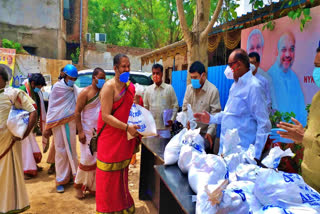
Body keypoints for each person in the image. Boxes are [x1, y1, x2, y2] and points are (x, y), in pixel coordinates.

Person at [194, 49, 271, 160]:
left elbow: (264, 124)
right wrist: (210, 118)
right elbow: (229, 114)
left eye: (230, 65)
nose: (228, 69)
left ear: (238, 65)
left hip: (242, 155)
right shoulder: (235, 85)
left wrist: (255, 156)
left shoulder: (254, 87)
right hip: (225, 152)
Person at [96, 54, 139, 213]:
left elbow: (132, 110)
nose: (127, 69)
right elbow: (105, 116)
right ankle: (107, 209)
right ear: (115, 68)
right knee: (107, 178)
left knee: (122, 175)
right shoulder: (108, 87)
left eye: (128, 66)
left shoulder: (130, 87)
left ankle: (123, 207)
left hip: (124, 138)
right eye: (123, 67)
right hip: (109, 139)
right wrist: (127, 127)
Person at [276, 47, 320, 192]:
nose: (317, 71)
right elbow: (312, 132)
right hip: (310, 182)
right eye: (316, 66)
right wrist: (299, 136)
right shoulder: (317, 98)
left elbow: (309, 138)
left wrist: (304, 137)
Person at [0, 67, 37, 213]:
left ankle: (8, 207)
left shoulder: (14, 94)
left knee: (7, 178)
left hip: (8, 144)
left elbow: (33, 111)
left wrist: (23, 134)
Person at [44, 64, 79, 193]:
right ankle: (60, 179)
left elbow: (80, 102)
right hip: (58, 125)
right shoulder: (57, 88)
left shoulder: (74, 89)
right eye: (71, 78)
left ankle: (73, 175)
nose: (72, 81)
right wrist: (48, 126)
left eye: (74, 79)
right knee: (61, 151)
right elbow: (52, 108)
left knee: (72, 151)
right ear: (64, 75)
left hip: (70, 123)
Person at [74, 67, 106, 199]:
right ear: (94, 78)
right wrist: (80, 131)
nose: (103, 81)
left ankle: (93, 187)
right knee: (87, 159)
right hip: (87, 132)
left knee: (98, 160)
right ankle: (78, 186)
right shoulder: (85, 93)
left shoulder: (104, 92)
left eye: (104, 79)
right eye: (101, 78)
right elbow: (77, 113)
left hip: (100, 132)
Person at [267, 32, 307, 125]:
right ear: (277, 52)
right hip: (276, 134)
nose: (288, 54)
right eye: (284, 49)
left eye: (292, 49)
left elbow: (302, 111)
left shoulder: (294, 78)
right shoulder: (269, 78)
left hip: (293, 136)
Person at [182, 61, 221, 153]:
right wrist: (185, 121)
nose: (193, 80)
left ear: (203, 75)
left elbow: (215, 115)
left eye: (195, 77)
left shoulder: (213, 91)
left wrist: (209, 133)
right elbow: (185, 109)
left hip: (205, 135)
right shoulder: (189, 89)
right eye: (191, 77)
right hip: (190, 132)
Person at [19, 73, 47, 179]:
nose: (40, 89)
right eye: (39, 86)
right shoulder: (22, 90)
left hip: (31, 124)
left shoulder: (34, 91)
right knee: (25, 147)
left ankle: (32, 165)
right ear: (33, 83)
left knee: (31, 145)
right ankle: (26, 170)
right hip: (24, 124)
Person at [143, 64, 179, 138]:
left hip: (165, 128)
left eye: (157, 73)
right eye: (153, 73)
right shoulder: (148, 90)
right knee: (150, 148)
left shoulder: (169, 89)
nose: (155, 75)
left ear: (162, 74)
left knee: (163, 148)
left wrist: (172, 119)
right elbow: (145, 107)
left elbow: (175, 105)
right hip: (151, 127)